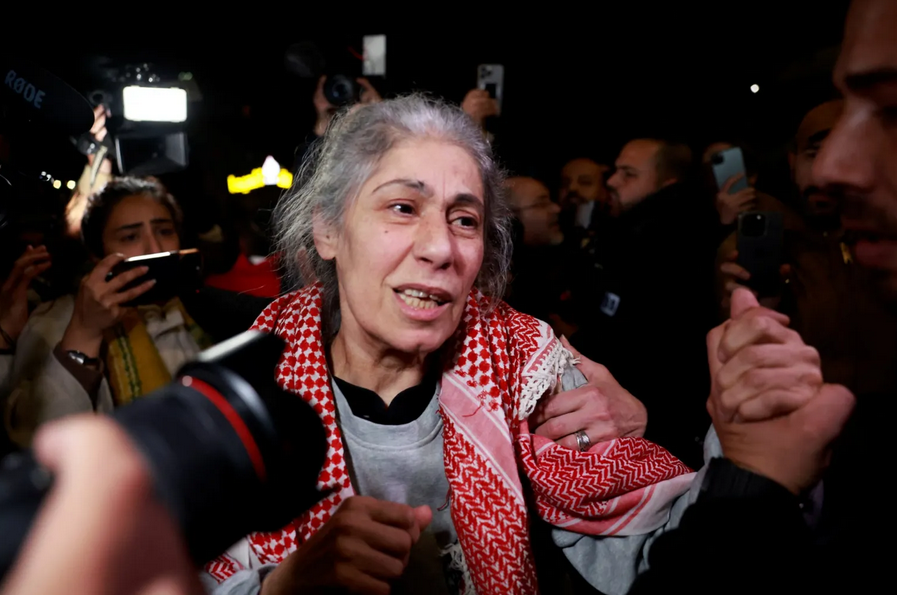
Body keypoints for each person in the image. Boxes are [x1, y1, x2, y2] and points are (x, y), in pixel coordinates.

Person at [202, 95, 705, 595]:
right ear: (328, 229)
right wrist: (281, 588)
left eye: (465, 219)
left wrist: (742, 445)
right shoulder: (241, 403)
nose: (441, 247)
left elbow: (670, 552)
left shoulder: (527, 367)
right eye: (403, 207)